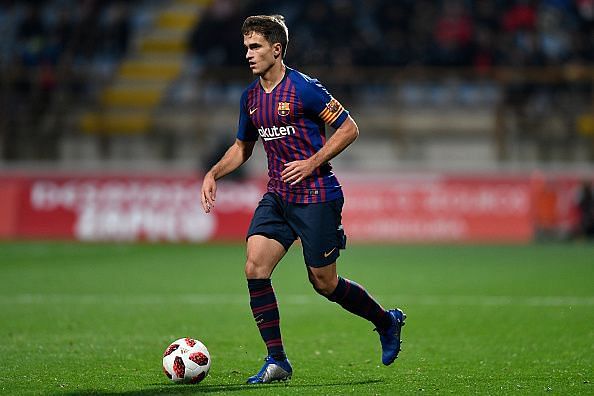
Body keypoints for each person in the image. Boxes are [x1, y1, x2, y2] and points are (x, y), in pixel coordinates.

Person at [200, 14, 405, 384]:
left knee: (324, 283)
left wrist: (312, 162)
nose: (248, 54)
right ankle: (277, 360)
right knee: (255, 267)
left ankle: (386, 321)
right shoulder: (249, 99)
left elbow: (349, 128)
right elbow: (242, 147)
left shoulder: (305, 88)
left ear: (276, 50)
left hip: (317, 196)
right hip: (278, 196)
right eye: (246, 47)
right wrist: (214, 173)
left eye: (256, 46)